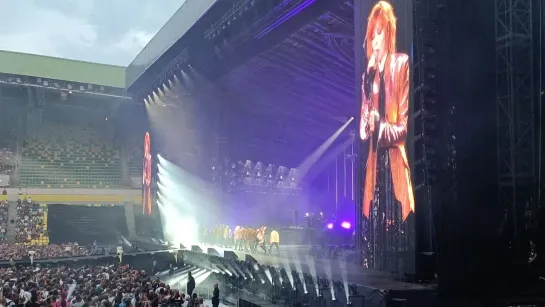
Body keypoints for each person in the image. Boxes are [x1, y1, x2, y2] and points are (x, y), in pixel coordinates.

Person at [360, 1, 414, 271]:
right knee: (374, 231)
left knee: (398, 230)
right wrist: (368, 86)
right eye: (372, 34)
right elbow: (361, 131)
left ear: (389, 33)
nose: (376, 40)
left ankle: (400, 271)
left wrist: (380, 125)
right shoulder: (367, 76)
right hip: (374, 167)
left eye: (380, 32)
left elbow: (404, 129)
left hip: (392, 161)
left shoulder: (401, 64)